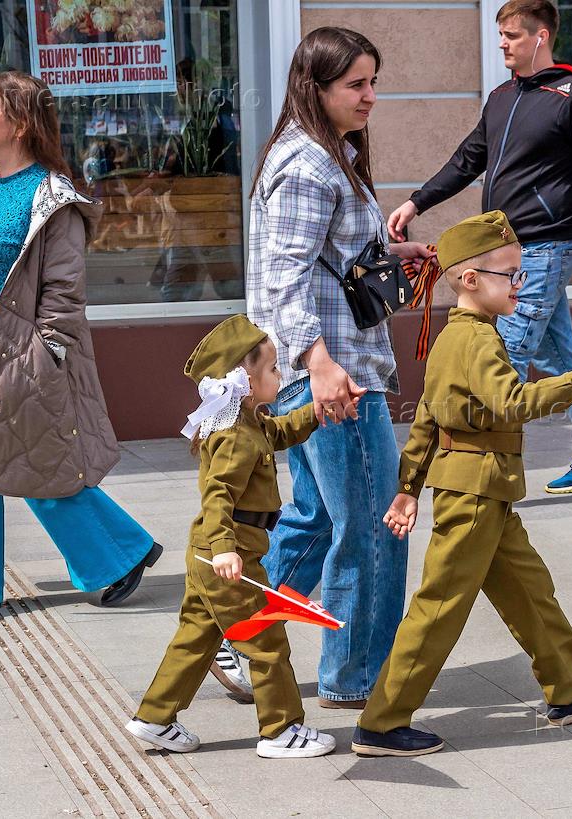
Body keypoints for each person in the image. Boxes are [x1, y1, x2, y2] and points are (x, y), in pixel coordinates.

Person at [352, 212, 572, 756]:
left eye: (519, 272)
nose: (519, 284)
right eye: (509, 274)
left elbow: (427, 417)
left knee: (529, 590)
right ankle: (382, 722)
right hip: (474, 495)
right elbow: (512, 402)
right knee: (439, 606)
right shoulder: (476, 341)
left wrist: (409, 487)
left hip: (486, 492)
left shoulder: (459, 337)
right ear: (471, 280)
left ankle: (569, 689)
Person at [219, 26, 433, 709]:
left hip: (322, 370)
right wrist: (319, 364)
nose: (370, 97)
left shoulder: (326, 152)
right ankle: (359, 677)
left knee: (314, 520)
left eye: (373, 82)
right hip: (333, 377)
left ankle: (240, 637)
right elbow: (284, 279)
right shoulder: (309, 165)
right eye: (355, 84)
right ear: (314, 88)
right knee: (373, 524)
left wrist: (393, 257)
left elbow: (323, 261)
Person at [0, 71, 161, 617]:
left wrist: (44, 353)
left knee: (32, 466)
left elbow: (64, 292)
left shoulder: (52, 199)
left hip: (13, 359)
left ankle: (119, 553)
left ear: (22, 124)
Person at [387, 0, 572, 495]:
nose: (502, 44)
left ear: (541, 37)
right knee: (561, 359)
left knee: (504, 357)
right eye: (500, 34)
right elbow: (466, 160)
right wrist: (416, 202)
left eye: (512, 35)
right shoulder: (501, 97)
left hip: (546, 247)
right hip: (508, 252)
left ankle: (483, 473)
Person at [125, 315, 338, 759]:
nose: (279, 376)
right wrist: (225, 550)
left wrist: (315, 412)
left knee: (197, 637)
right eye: (273, 369)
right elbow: (217, 495)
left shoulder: (248, 423)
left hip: (215, 554)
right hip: (227, 555)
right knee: (265, 640)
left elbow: (278, 433)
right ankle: (281, 730)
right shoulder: (234, 435)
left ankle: (155, 717)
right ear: (246, 380)